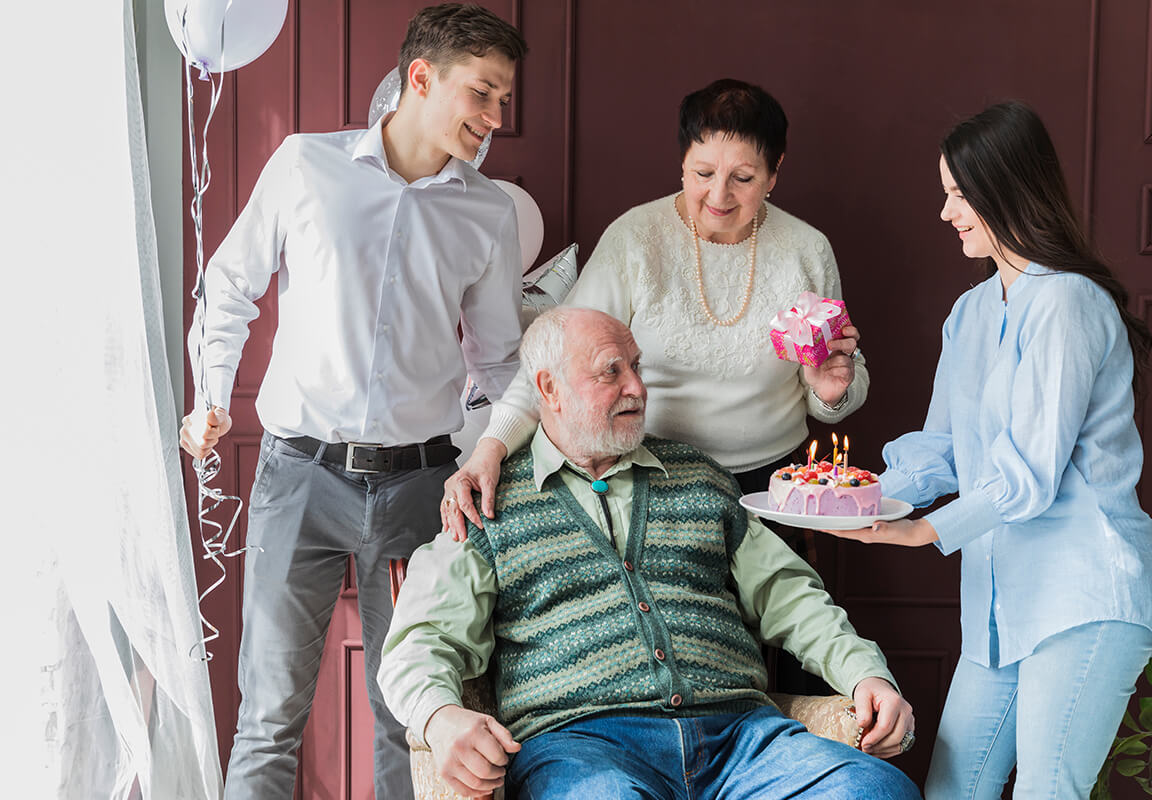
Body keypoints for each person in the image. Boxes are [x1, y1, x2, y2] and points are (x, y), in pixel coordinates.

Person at [177, 5, 528, 798]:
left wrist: (504, 452)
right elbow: (228, 288)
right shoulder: (305, 165)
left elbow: (500, 362)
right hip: (298, 479)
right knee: (268, 718)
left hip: (420, 488)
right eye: (484, 93)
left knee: (408, 717)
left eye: (504, 100)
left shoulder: (489, 212)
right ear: (421, 78)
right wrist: (209, 395)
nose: (495, 119)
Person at [378, 306, 921, 800]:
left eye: (636, 367)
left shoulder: (702, 479)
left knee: (876, 792)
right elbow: (421, 640)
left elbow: (788, 594)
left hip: (742, 740)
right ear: (550, 388)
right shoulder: (487, 504)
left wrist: (864, 674)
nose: (637, 387)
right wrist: (440, 718)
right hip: (581, 750)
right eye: (611, 371)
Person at [825, 102, 1152, 799]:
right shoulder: (973, 313)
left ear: (1008, 189)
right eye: (945, 193)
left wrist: (922, 529)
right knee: (953, 790)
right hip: (998, 604)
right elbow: (945, 446)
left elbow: (1031, 473)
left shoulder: (1069, 302)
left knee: (1048, 790)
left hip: (1084, 596)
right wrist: (863, 495)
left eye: (960, 194)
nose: (946, 212)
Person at [439, 78, 867, 538]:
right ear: (682, 163)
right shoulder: (636, 239)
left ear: (775, 171)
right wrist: (491, 447)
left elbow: (842, 388)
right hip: (650, 483)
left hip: (773, 492)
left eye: (742, 179)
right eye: (703, 174)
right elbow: (554, 361)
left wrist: (830, 391)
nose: (719, 196)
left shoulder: (807, 249)